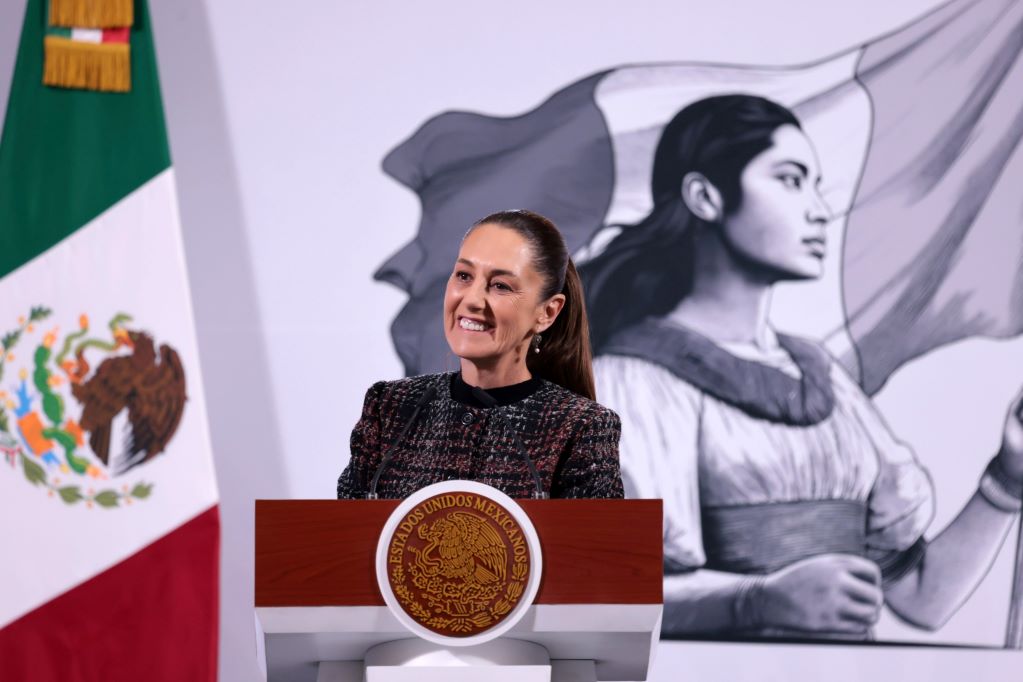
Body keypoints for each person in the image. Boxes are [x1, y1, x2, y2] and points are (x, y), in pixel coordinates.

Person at [581, 94, 1023, 639]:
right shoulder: (632, 382)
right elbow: (597, 600)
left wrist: (1009, 477)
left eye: (817, 185)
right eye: (790, 180)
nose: (819, 209)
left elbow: (920, 598)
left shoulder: (825, 379)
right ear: (705, 197)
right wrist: (755, 601)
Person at [338, 209, 624, 500]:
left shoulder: (581, 427)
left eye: (500, 286)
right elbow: (345, 537)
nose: (472, 299)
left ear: (547, 312)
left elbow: (599, 543)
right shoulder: (389, 407)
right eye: (464, 276)